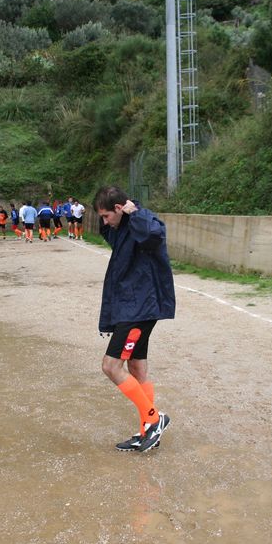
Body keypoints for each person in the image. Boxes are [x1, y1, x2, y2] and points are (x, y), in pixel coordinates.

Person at [94, 185, 175, 452]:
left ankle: (153, 419)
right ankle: (146, 429)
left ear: (120, 208)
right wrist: (116, 217)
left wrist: (135, 212)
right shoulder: (120, 227)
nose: (105, 222)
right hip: (133, 306)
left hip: (139, 308)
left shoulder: (143, 219)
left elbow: (155, 235)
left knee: (111, 366)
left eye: (106, 215)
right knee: (137, 368)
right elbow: (108, 231)